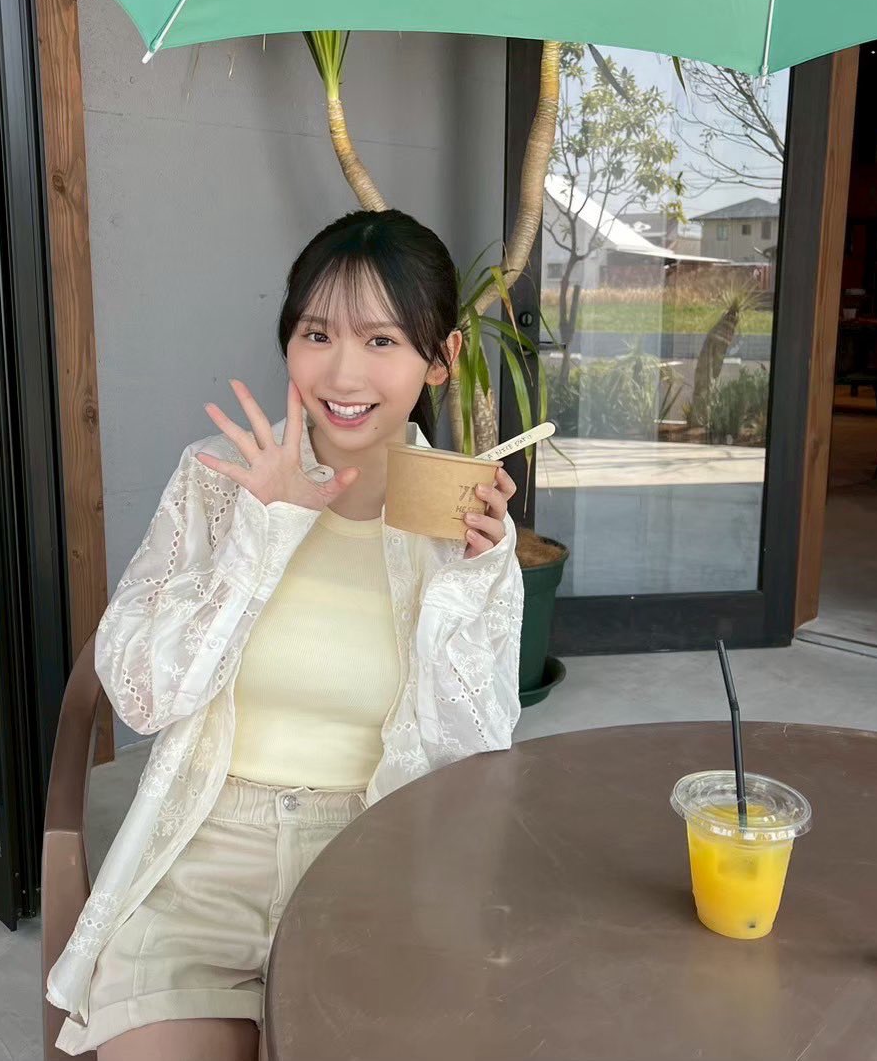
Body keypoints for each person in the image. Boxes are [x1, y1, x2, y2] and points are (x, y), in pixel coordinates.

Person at [46, 208, 525, 1060]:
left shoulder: (463, 526)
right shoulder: (219, 479)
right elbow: (142, 696)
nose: (343, 372)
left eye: (381, 341)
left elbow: (475, 756)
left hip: (378, 855)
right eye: (317, 334)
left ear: (441, 358)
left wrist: (471, 582)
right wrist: (260, 539)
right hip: (205, 853)